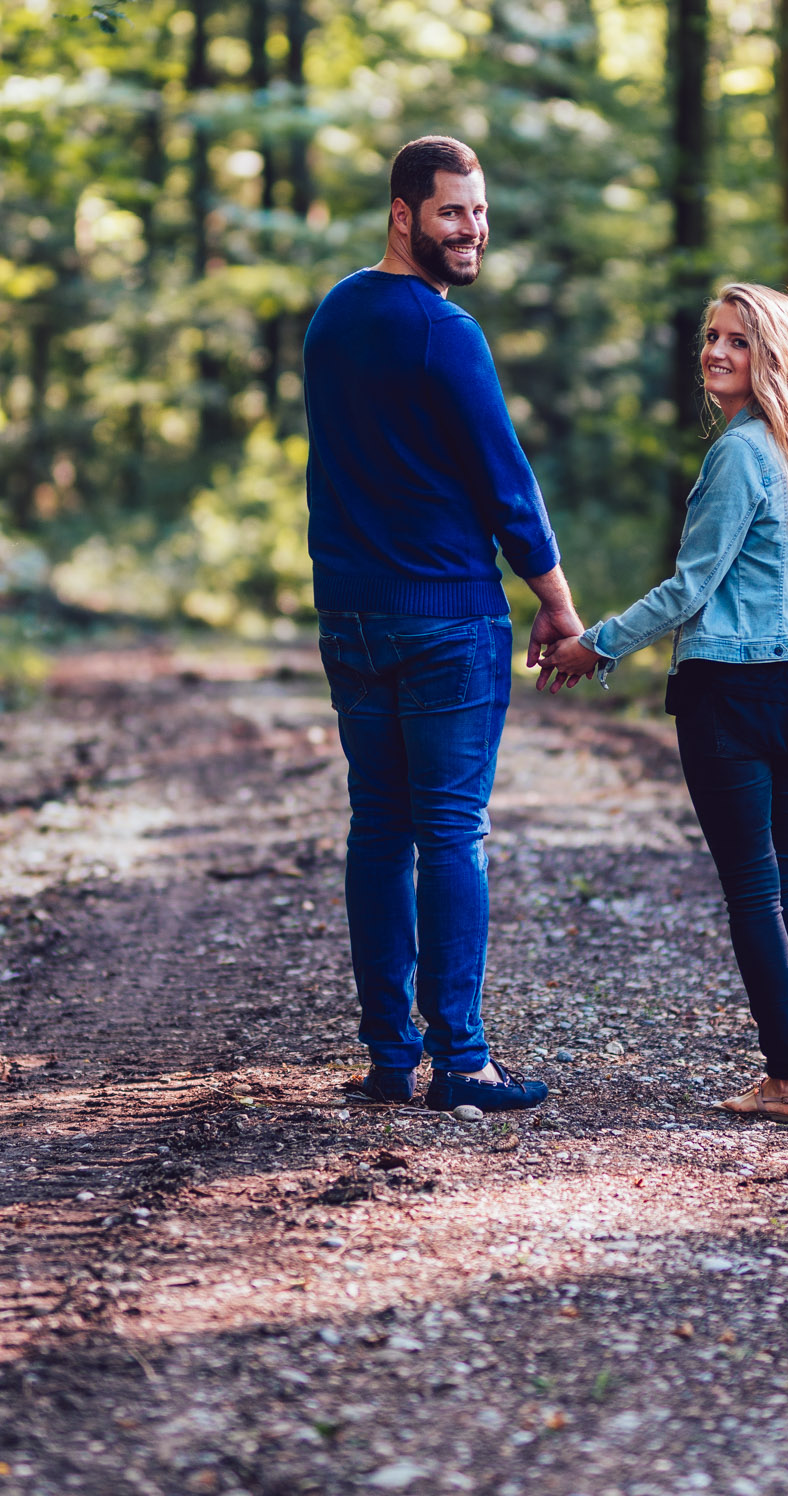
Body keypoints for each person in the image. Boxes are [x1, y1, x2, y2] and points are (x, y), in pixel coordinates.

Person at [541, 283, 788, 1127]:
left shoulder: (742, 454)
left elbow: (691, 590)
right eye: (713, 337)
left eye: (739, 341)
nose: (716, 352)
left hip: (732, 695)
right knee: (787, 881)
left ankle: (784, 1079)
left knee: (755, 890)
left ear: (774, 359)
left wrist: (596, 645)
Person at [303, 135, 581, 1114]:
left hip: (352, 614)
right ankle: (460, 1061)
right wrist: (555, 600)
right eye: (453, 212)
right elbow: (505, 482)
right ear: (402, 214)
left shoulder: (334, 315)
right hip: (447, 618)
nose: (473, 230)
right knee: (449, 831)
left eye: (480, 212)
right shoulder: (444, 332)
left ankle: (389, 1057)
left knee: (378, 828)